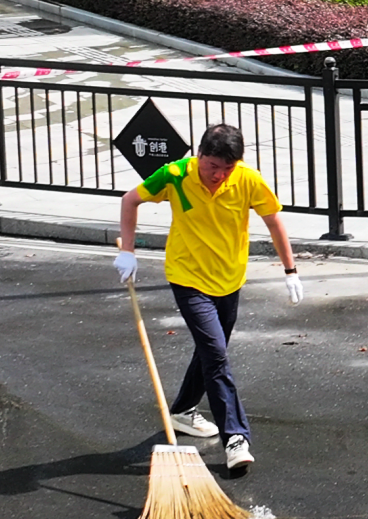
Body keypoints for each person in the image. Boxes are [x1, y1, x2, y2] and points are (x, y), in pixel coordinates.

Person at [115, 124, 303, 473]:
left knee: (211, 351)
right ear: (199, 154)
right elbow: (131, 200)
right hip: (188, 278)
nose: (218, 175)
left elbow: (273, 220)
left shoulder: (248, 180)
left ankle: (183, 410)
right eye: (212, 166)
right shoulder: (174, 175)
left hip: (230, 279)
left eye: (226, 168)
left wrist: (290, 270)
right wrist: (128, 251)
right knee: (216, 355)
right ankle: (236, 438)